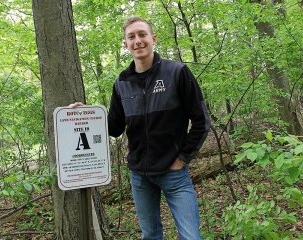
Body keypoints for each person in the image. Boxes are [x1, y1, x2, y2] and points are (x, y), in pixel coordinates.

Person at [71, 16, 210, 239]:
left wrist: (182, 158)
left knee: (191, 236)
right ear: (125, 45)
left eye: (142, 35)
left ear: (153, 39)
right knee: (150, 235)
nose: (138, 41)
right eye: (131, 37)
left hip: (174, 173)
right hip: (140, 176)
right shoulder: (122, 83)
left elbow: (202, 121)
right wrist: (86, 115)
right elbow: (114, 127)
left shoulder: (177, 72)